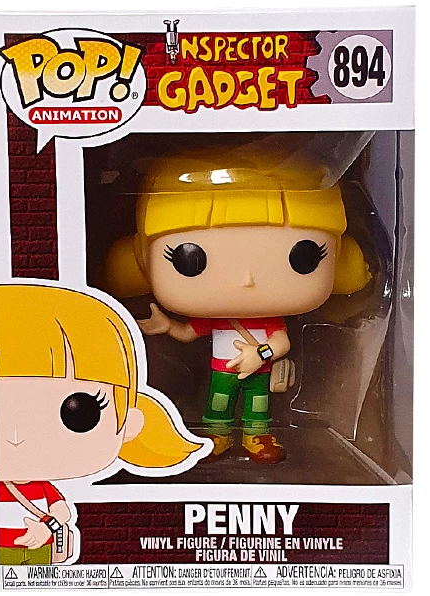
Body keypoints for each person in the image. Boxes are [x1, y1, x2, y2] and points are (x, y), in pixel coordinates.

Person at [105, 148, 371, 464]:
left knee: (257, 405)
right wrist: (168, 326)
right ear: (141, 260)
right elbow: (189, 332)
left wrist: (258, 355)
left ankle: (257, 436)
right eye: (190, 259)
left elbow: (281, 343)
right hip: (222, 371)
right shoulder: (213, 318)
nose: (247, 280)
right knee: (218, 404)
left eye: (303, 256)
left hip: (258, 370)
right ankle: (217, 435)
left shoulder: (266, 320)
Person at [0, 284, 204, 565]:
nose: (16, 437)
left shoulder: (42, 488)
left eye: (78, 412)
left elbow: (61, 511)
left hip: (39, 553)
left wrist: (46, 528)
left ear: (128, 422)